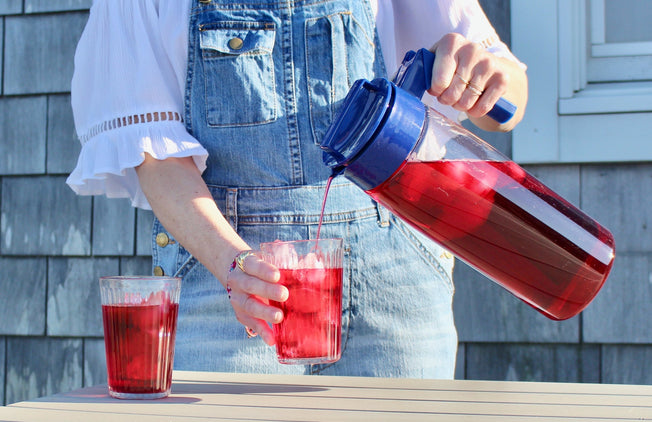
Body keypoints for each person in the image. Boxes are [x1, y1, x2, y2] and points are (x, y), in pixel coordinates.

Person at [68, 0, 528, 378]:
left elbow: (509, 99)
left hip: (396, 273)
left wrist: (485, 79)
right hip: (230, 278)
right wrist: (235, 268)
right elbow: (155, 157)